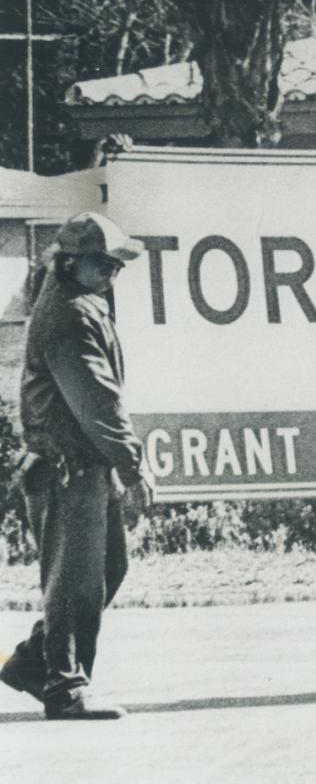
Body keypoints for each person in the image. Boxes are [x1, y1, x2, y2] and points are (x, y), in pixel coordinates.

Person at [1, 212, 153, 719]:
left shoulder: (82, 303)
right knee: (73, 581)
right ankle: (65, 689)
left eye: (116, 264)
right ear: (70, 263)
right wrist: (132, 468)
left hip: (83, 467)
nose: (113, 271)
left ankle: (30, 663)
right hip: (68, 470)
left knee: (108, 568)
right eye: (101, 263)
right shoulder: (69, 315)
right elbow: (97, 402)